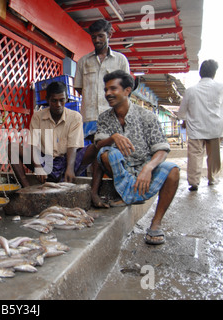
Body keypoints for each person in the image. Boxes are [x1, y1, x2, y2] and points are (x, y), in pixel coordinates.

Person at [91, 70, 180, 245]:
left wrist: (148, 168)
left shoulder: (147, 116)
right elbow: (98, 146)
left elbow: (162, 149)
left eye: (113, 89)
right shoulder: (104, 118)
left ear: (127, 90)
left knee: (173, 172)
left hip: (143, 169)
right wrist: (113, 137)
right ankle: (127, 192)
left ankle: (156, 223)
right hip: (122, 169)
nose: (108, 93)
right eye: (106, 89)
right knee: (107, 153)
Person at [10, 81, 86, 187]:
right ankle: (26, 187)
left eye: (61, 100)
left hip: (66, 161)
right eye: (54, 101)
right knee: (12, 148)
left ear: (67, 99)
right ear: (47, 100)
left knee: (95, 148)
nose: (58, 104)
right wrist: (38, 167)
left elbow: (73, 146)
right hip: (44, 161)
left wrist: (70, 168)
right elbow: (33, 145)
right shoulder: (38, 116)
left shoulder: (75, 117)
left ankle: (89, 190)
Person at [74, 18, 130, 140]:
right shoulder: (83, 61)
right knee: (88, 153)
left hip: (113, 116)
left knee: (110, 153)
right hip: (89, 117)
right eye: (93, 37)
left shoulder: (121, 60)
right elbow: (79, 87)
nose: (97, 40)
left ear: (109, 34)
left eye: (101, 36)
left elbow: (126, 89)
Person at [177, 59, 223, 191]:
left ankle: (194, 182)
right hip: (215, 127)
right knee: (214, 156)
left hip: (196, 129)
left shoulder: (191, 90)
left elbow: (181, 112)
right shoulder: (220, 87)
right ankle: (212, 178)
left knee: (195, 155)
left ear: (200, 73)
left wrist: (184, 120)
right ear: (214, 73)